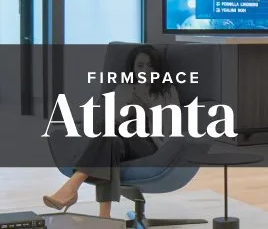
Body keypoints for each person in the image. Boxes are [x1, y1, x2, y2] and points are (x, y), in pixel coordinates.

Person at [43, 45, 180, 218]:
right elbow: (113, 119)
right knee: (110, 142)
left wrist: (147, 108)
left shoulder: (167, 91)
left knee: (109, 135)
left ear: (157, 69)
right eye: (140, 66)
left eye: (150, 66)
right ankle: (104, 218)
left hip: (150, 143)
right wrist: (127, 106)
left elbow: (169, 128)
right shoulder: (124, 89)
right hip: (120, 141)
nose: (145, 70)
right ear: (133, 68)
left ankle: (73, 186)